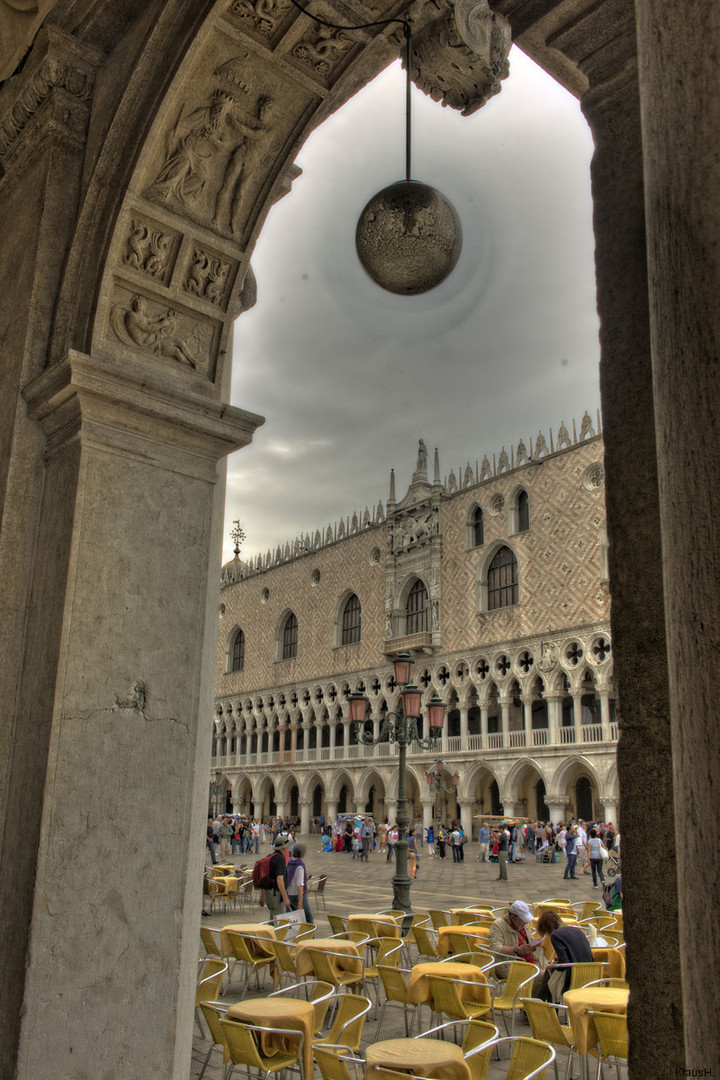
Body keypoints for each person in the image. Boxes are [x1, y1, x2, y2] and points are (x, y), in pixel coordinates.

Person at [487, 900, 547, 991]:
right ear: (513, 917)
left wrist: (534, 944)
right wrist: (516, 950)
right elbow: (495, 948)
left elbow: (526, 942)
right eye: (522, 919)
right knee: (542, 977)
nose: (525, 923)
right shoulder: (498, 925)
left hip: (527, 962)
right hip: (508, 965)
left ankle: (532, 1000)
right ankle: (529, 1001)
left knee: (548, 975)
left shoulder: (524, 925)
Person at [535, 910, 595, 1001]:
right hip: (591, 974)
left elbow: (564, 963)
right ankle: (538, 1001)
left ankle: (540, 1002)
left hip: (574, 977)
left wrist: (556, 964)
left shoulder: (556, 935)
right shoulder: (577, 930)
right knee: (551, 969)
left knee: (550, 970)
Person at [263, 835, 292, 918]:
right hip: (276, 895)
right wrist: (285, 897)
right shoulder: (280, 859)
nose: (289, 848)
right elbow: (279, 879)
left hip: (270, 893)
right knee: (278, 921)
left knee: (273, 918)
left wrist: (262, 896)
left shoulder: (271, 857)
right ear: (283, 848)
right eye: (287, 846)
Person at [287, 842, 312, 923]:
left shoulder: (289, 861)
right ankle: (310, 935)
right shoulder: (299, 865)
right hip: (297, 895)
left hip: (289, 893)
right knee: (308, 918)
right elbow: (299, 884)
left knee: (295, 917)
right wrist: (300, 902)